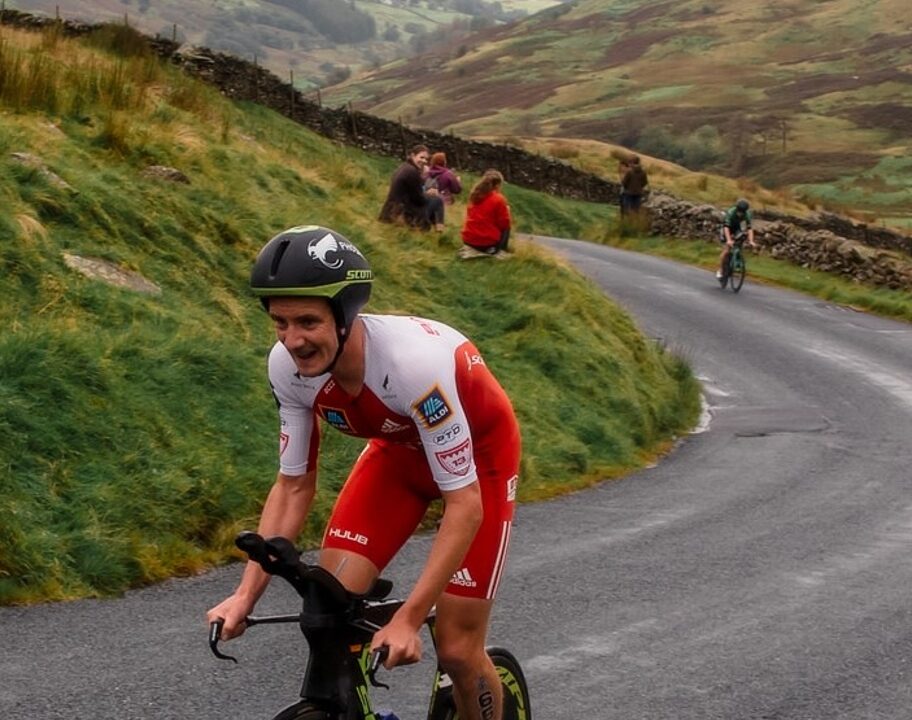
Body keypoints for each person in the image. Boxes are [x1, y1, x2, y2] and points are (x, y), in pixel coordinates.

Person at [207, 225, 522, 720]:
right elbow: (292, 486)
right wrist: (245, 595)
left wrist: (412, 619)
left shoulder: (413, 367)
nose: (293, 340)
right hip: (397, 458)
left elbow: (464, 505)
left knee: (458, 649)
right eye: (280, 323)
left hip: (479, 463)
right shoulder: (286, 370)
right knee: (328, 603)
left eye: (308, 321)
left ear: (346, 315)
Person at [378, 144, 444, 231]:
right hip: (400, 214)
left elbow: (412, 195)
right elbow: (419, 200)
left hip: (389, 211)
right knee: (437, 200)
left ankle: (434, 229)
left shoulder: (404, 167)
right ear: (413, 155)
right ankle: (438, 230)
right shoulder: (412, 172)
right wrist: (428, 194)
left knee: (433, 199)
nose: (424, 161)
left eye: (426, 159)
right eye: (421, 157)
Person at [459, 170, 512, 260]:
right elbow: (504, 223)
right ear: (498, 185)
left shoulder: (475, 195)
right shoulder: (498, 199)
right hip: (485, 243)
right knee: (507, 222)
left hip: (468, 240)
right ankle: (501, 250)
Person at [717, 198, 758, 279]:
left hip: (736, 228)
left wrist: (751, 241)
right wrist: (728, 240)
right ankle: (720, 270)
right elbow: (726, 227)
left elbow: (749, 228)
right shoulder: (731, 212)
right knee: (727, 250)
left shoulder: (747, 214)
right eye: (739, 211)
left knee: (742, 238)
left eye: (742, 212)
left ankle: (737, 262)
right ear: (737, 208)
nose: (740, 214)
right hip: (727, 228)